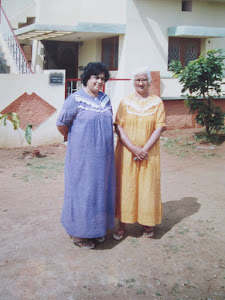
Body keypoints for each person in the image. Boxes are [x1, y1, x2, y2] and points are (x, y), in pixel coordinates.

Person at [56, 62, 116, 249]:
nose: (99, 81)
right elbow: (61, 124)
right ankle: (79, 234)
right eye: (96, 77)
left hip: (104, 156)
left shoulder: (105, 99)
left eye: (102, 78)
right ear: (87, 78)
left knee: (101, 190)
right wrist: (75, 140)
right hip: (82, 157)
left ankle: (97, 230)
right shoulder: (74, 100)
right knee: (83, 191)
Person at [113, 67, 166, 240]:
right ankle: (122, 224)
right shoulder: (125, 102)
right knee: (125, 186)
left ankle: (147, 221)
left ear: (150, 82)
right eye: (137, 80)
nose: (141, 83)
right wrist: (134, 148)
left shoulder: (157, 102)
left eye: (144, 79)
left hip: (149, 154)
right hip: (127, 153)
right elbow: (118, 126)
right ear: (133, 82)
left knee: (147, 186)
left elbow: (159, 126)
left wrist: (144, 150)